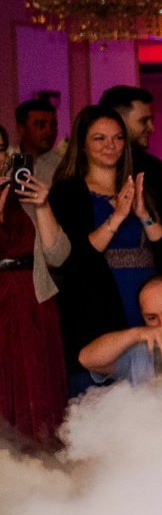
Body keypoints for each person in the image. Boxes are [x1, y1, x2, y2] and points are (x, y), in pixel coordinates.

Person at [48, 106, 162, 396]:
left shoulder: (141, 185)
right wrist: (117, 216)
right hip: (94, 304)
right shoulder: (68, 191)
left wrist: (143, 215)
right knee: (103, 395)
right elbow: (74, 259)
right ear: (82, 144)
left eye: (118, 138)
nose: (110, 145)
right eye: (100, 138)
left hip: (146, 300)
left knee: (156, 390)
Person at [0, 158, 69, 450]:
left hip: (33, 302)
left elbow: (58, 255)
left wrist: (43, 205)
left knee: (37, 387)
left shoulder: (26, 195)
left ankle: (40, 464)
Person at [98, 85, 162, 274]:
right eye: (144, 121)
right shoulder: (86, 172)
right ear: (116, 121)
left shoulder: (157, 171)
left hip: (150, 276)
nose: (152, 127)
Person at [15, 98, 61, 182]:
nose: (49, 131)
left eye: (53, 125)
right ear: (22, 129)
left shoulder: (62, 166)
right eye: (40, 125)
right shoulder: (7, 163)